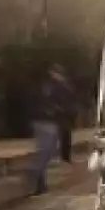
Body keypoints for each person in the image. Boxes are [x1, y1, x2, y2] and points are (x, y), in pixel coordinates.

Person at [30, 62, 76, 195]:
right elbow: (62, 103)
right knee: (45, 152)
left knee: (46, 152)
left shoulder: (47, 86)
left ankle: (40, 182)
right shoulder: (54, 86)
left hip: (45, 121)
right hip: (47, 122)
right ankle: (37, 183)